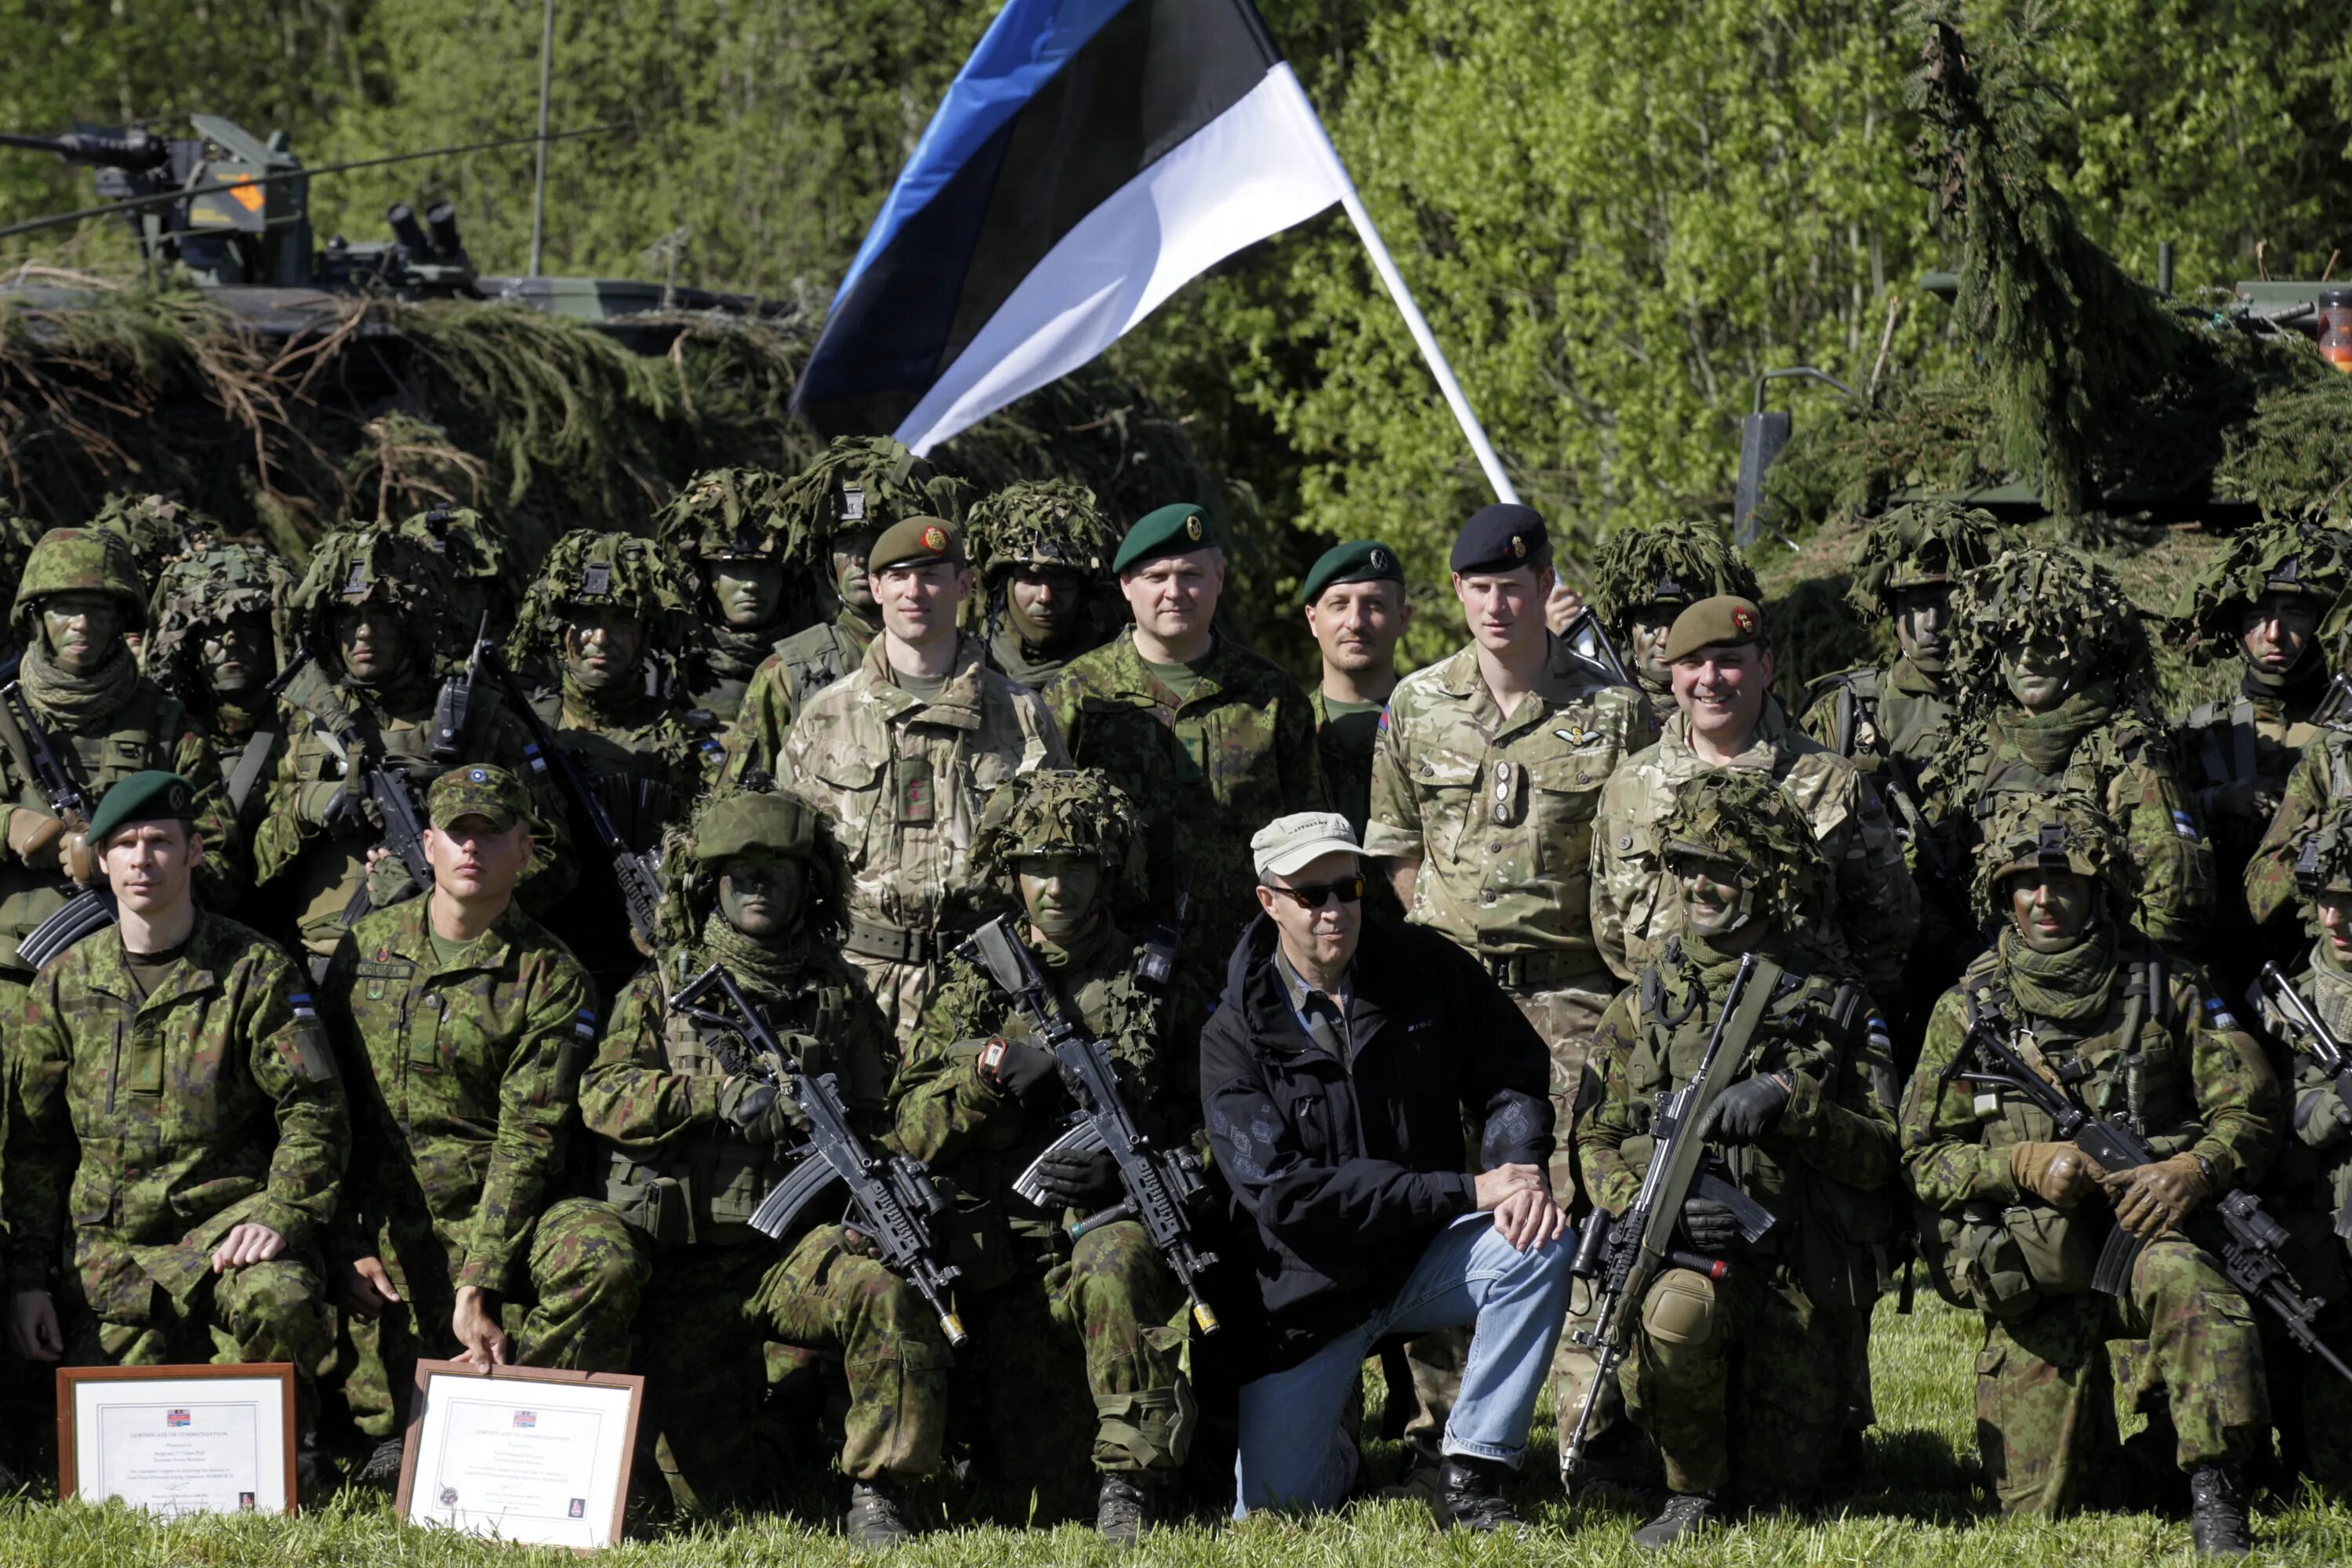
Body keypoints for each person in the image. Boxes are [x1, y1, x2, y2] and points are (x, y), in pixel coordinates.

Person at [1361, 503, 1656, 1481]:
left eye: (1513, 585)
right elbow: (1395, 846)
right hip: (1448, 999)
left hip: (1570, 997)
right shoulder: (1417, 704)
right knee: (1444, 1195)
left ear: (1543, 587)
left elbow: (1633, 851)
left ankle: (1590, 1426)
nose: (1497, 602)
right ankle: (1441, 1428)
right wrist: (1444, 958)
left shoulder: (1612, 710)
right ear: (1456, 593)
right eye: (1478, 587)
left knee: (1574, 1206)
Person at [1901, 791, 2276, 1553]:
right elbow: (1919, 1157)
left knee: (2195, 1283)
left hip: (2148, 1244)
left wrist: (2193, 1168)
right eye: (2027, 880)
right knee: (2050, 1504)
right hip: (2037, 1267)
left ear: (2099, 889)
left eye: (2065, 880)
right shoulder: (1965, 1010)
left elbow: (2253, 1109)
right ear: (2002, 891)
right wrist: (2022, 1162)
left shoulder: (2167, 985)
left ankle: (2216, 1488)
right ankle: (2151, 1463)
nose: (2045, 898)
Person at [581, 782, 949, 1539]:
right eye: (740, 874)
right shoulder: (663, 988)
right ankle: (783, 1421)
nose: (757, 887)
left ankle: (879, 1496)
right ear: (711, 885)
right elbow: (603, 1096)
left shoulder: (837, 997)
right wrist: (715, 1096)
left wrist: (879, 1196)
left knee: (883, 1286)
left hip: (786, 1260)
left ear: (806, 887)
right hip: (679, 1268)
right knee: (718, 1501)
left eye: (776, 873)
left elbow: (880, 1118)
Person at [1202, 811, 1572, 1527]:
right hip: (1304, 1297)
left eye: (1349, 888)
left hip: (1420, 1257)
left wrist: (1517, 1167)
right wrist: (1465, 1188)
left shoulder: (1425, 966)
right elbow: (1286, 1195)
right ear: (1268, 901)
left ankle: (1470, 1477)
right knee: (1274, 1512)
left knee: (1539, 1241)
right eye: (1311, 896)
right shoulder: (1232, 1034)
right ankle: (1336, 1450)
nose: (1335, 910)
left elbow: (1513, 1075)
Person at [1577, 771, 1899, 1544]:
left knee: (1791, 1486)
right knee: (1679, 1311)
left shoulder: (1837, 1005)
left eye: (1722, 867)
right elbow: (1591, 1137)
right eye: (1685, 864)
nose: (1698, 883)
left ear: (1771, 875)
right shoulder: (1643, 1002)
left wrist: (1793, 1105)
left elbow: (1887, 1154)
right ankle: (1691, 1492)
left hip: (1800, 1278)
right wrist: (1651, 1205)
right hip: (1695, 1263)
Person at [3, 771, 345, 1467]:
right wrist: (28, 1279)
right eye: (123, 844)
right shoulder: (64, 983)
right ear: (100, 860)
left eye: (160, 841)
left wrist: (281, 1213)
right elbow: (35, 1148)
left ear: (193, 852)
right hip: (108, 1255)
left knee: (279, 1300)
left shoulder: (254, 971)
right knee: (84, 1454)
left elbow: (313, 1109)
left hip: (223, 1239)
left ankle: (288, 1450)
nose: (142, 859)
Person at [895, 769, 1201, 1538]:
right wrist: (988, 1070)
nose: (1055, 885)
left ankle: (1130, 1484)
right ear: (1012, 871)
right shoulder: (971, 978)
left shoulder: (1152, 980)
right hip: (995, 1252)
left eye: (1075, 864)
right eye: (1037, 865)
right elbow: (908, 1125)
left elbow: (1218, 1115)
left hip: (1095, 1235)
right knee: (1028, 1481)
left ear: (1107, 870)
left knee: (1117, 1255)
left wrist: (1153, 1167)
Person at [319, 764, 644, 1484]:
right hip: (388, 1219)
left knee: (599, 1254)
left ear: (526, 851)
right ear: (428, 845)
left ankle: (536, 1446)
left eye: (493, 834)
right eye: (458, 834)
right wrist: (340, 1238)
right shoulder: (363, 950)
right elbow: (324, 1111)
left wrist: (480, 1278)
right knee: (380, 1407)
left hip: (505, 1214)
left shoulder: (552, 976)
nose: (474, 849)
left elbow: (528, 1138)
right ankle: (384, 1435)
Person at [781, 516, 1067, 1044]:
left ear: (963, 586)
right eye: (899, 576)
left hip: (986, 987)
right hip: (855, 987)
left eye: (932, 575)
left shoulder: (1022, 716)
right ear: (875, 588)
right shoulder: (823, 719)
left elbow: (1063, 868)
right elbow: (789, 867)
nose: (915, 591)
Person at [252, 524, 568, 969]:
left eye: (382, 616)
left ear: (413, 623)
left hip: (455, 964)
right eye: (348, 618)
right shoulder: (303, 724)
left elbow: (553, 857)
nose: (363, 633)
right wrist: (306, 808)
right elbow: (254, 867)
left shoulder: (479, 722)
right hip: (322, 962)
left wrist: (443, 891)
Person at [1044, 503, 1326, 973]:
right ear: (1127, 586)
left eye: (1191, 574)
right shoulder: (1076, 694)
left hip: (1247, 965)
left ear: (1219, 577)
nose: (1175, 592)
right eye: (1156, 577)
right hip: (1111, 964)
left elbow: (1309, 839)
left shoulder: (1270, 695)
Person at [1592, 594, 1918, 998]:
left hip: (1797, 1035)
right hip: (1671, 1030)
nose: (1709, 679)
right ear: (1673, 677)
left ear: (1764, 668)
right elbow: (1610, 935)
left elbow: (1884, 932)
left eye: (1728, 661)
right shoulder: (1628, 788)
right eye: (1692, 663)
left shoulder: (1830, 782)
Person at [1930, 545, 2215, 954]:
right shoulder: (1973, 750)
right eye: (2011, 639)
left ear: (2084, 645)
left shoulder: (2124, 752)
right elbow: (1924, 881)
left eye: (2046, 636)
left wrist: (2095, 971)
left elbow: (2176, 898)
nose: (2026, 656)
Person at [0, 527, 242, 999]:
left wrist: (126, 863)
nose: (82, 625)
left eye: (99, 609)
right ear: (36, 617)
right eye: (65, 607)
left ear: (120, 620)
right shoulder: (4, 718)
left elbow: (222, 865)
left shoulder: (167, 726)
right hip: (12, 973)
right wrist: (15, 825)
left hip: (138, 974)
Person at [1799, 501, 2009, 1039]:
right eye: (1914, 603)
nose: (1932, 622)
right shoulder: (1847, 710)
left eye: (1945, 600)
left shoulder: (2015, 704)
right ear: (1890, 611)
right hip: (1884, 966)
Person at [503, 529, 717, 1001]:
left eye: (620, 622)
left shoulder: (679, 742)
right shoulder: (518, 730)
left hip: (642, 980)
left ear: (645, 637)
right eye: (584, 620)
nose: (600, 639)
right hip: (533, 969)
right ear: (560, 631)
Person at [2176, 515, 2352, 987]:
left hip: (2326, 958)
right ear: (2238, 626)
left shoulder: (2345, 733)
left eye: (2294, 615)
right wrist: (2219, 801)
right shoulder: (2200, 732)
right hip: (2215, 961)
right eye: (2259, 616)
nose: (2273, 634)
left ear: (2325, 623)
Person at [728, 437, 971, 771]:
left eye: (877, 541)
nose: (859, 558)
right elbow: (740, 811)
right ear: (828, 555)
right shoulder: (788, 674)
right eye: (846, 542)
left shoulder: (969, 663)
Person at [2249, 800, 2352, 1494]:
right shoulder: (2285, 1004)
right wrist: (2332, 1111)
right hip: (2320, 1228)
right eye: (2328, 901)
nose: (2339, 921)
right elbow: (2266, 1121)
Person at [141, 539, 304, 850]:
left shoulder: (305, 731)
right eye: (213, 628)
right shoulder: (170, 736)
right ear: (191, 645)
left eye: (249, 627)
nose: (231, 641)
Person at [652, 466, 802, 730]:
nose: (752, 584)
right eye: (732, 568)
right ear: (702, 579)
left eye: (765, 569)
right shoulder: (665, 676)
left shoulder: (815, 663)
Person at [1298, 538, 1413, 844]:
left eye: (1374, 604)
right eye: (1339, 605)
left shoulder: (1437, 725)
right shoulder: (1286, 729)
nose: (1355, 622)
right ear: (1312, 619)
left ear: (1402, 619)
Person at [965, 479, 1123, 686]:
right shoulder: (965, 657)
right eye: (1029, 578)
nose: (1045, 596)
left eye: (1062, 580)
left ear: (1083, 589)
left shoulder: (1117, 660)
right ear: (1005, 584)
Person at [1589, 518, 1762, 702]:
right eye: (1651, 621)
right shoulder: (1602, 706)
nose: (1664, 640)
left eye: (1678, 621)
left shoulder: (1736, 707)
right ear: (1629, 629)